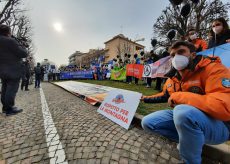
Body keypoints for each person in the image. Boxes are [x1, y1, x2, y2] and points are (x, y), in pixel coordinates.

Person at [141, 41, 230, 163]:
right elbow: (164, 95)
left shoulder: (213, 68)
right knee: (148, 122)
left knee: (182, 111)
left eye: (181, 52)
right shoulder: (173, 77)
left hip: (221, 125)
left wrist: (181, 97)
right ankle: (191, 141)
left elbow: (224, 107)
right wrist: (144, 98)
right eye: (172, 55)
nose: (176, 57)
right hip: (188, 117)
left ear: (193, 55)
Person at [0, 25, 28, 116]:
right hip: (13, 69)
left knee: (5, 88)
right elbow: (23, 53)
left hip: (2, 70)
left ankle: (5, 107)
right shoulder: (10, 41)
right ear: (8, 32)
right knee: (11, 89)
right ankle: (9, 109)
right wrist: (22, 45)